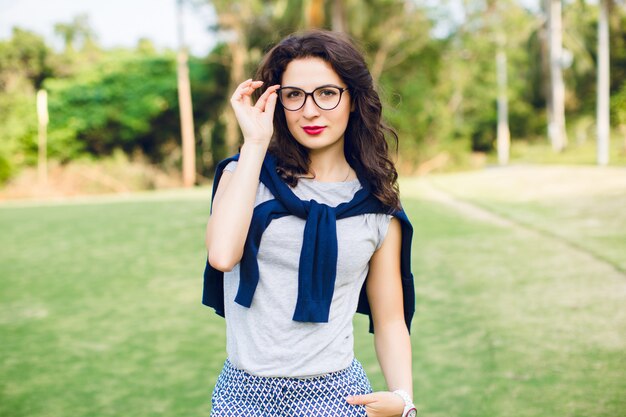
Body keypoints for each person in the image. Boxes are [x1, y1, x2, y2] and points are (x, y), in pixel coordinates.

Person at [203, 29, 417, 417]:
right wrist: (254, 144)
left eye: (327, 93)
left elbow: (390, 320)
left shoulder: (376, 205)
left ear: (353, 100)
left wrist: (404, 400)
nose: (310, 110)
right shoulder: (245, 175)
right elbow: (221, 255)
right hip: (243, 395)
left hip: (338, 394)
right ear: (277, 101)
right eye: (293, 95)